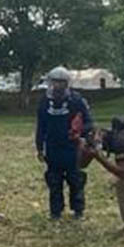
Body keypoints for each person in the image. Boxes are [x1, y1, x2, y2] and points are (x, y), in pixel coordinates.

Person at [35, 67, 93, 220]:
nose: (58, 85)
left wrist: (79, 131)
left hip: (72, 147)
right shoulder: (45, 102)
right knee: (54, 180)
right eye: (55, 82)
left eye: (61, 82)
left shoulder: (77, 100)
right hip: (53, 146)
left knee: (75, 179)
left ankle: (78, 210)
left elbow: (89, 122)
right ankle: (56, 211)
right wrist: (39, 147)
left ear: (67, 83)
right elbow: (41, 126)